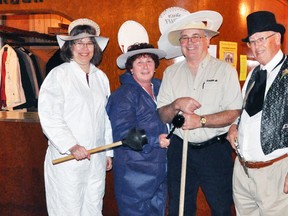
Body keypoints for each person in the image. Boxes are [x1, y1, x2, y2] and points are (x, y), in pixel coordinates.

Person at [157, 10, 243, 215]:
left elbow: (233, 112)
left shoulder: (225, 71)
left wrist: (200, 121)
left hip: (214, 150)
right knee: (180, 207)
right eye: (185, 38)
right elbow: (163, 114)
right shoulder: (171, 73)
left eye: (196, 36)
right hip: (179, 149)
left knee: (221, 207)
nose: (190, 42)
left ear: (207, 40)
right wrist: (176, 104)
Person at [38, 18, 113, 216]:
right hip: (67, 159)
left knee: (93, 207)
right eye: (78, 42)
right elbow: (50, 116)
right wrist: (71, 145)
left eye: (89, 42)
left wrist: (108, 152)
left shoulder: (101, 77)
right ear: (70, 46)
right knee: (67, 210)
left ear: (95, 47)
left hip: (96, 157)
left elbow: (105, 117)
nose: (84, 48)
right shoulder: (58, 75)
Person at [227, 11, 288, 215]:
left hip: (275, 172)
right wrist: (234, 126)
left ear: (277, 38)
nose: (256, 46)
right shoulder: (254, 74)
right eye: (252, 41)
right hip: (243, 172)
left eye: (261, 39)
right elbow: (245, 112)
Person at [106, 43, 170, 216]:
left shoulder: (162, 89)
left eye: (149, 61)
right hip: (134, 173)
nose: (145, 66)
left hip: (159, 168)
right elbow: (123, 134)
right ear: (131, 69)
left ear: (155, 66)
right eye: (139, 62)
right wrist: (156, 140)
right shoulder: (123, 95)